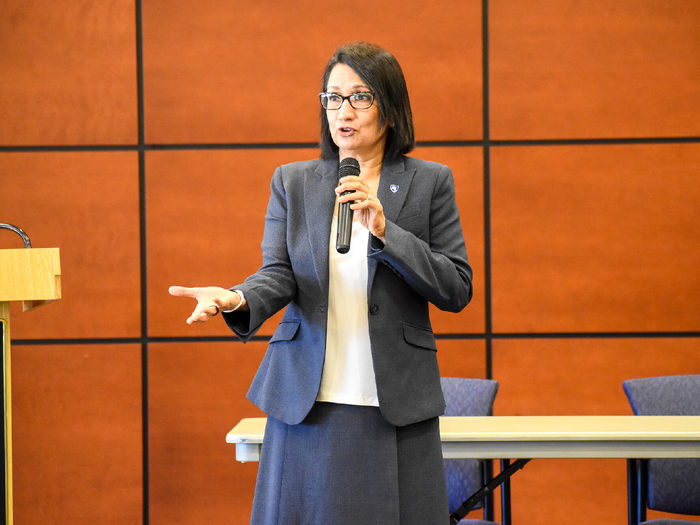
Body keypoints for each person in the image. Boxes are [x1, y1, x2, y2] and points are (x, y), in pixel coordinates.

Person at [169, 41, 472, 525]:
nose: (343, 110)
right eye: (332, 97)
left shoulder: (429, 181)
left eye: (360, 97)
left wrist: (386, 232)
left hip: (393, 399)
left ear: (390, 109)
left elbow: (457, 286)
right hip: (307, 400)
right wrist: (236, 297)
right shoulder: (294, 181)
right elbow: (279, 274)